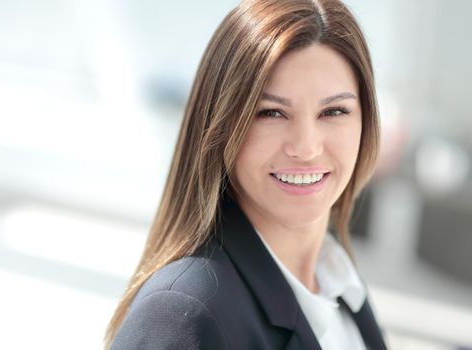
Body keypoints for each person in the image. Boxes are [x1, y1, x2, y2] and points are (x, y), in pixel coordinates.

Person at [106, 0, 387, 348]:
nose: (306, 147)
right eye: (271, 113)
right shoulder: (185, 313)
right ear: (222, 124)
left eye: (333, 110)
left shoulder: (337, 282)